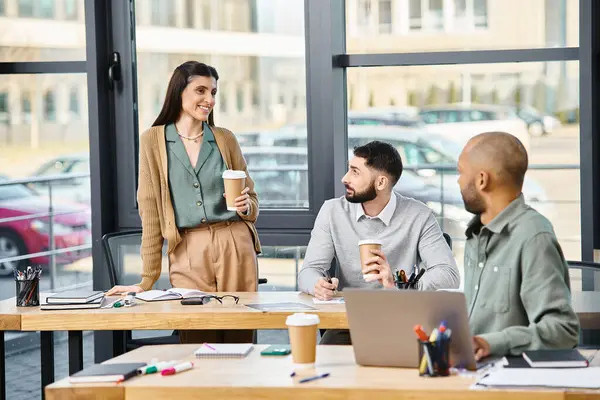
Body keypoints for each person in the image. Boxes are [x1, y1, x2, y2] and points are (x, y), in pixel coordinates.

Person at [106, 61, 261, 344]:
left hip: (235, 243)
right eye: (200, 90)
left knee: (240, 334)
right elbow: (151, 213)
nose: (209, 100)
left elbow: (251, 198)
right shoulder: (153, 141)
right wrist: (146, 280)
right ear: (179, 92)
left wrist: (246, 206)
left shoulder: (225, 139)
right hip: (187, 249)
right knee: (196, 337)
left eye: (213, 92)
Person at [298, 141, 460, 344]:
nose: (345, 178)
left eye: (355, 172)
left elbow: (449, 274)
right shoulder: (332, 211)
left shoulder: (419, 216)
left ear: (381, 183)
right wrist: (318, 285)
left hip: (403, 322)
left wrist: (400, 286)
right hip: (347, 325)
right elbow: (308, 271)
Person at [457, 131, 579, 360]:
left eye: (461, 172)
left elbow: (563, 331)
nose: (458, 181)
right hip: (471, 374)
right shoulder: (476, 234)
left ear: (482, 180)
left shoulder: (533, 236)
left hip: (510, 381)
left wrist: (491, 343)